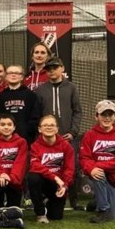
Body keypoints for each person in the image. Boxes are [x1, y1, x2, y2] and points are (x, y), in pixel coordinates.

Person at [33, 57, 84, 209]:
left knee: (72, 168)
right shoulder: (40, 90)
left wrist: (73, 132)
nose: (51, 71)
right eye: (48, 69)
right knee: (46, 167)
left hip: (67, 136)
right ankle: (46, 198)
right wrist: (41, 133)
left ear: (62, 68)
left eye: (55, 68)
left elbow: (77, 111)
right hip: (46, 138)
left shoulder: (71, 87)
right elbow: (37, 113)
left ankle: (74, 200)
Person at [79, 100, 115, 224]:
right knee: (99, 173)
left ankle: (96, 203)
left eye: (110, 114)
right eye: (103, 114)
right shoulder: (89, 135)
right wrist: (92, 168)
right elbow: (84, 158)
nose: (107, 118)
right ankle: (102, 209)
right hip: (98, 175)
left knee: (113, 215)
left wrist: (99, 165)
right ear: (96, 116)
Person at [27, 115, 76, 224]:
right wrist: (55, 177)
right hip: (42, 180)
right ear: (40, 129)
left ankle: (48, 202)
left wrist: (64, 185)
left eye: (52, 125)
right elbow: (36, 166)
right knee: (33, 177)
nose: (49, 127)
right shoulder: (35, 146)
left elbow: (69, 169)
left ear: (57, 129)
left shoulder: (66, 146)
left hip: (58, 184)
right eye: (45, 125)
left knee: (56, 216)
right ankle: (40, 213)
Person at [0, 114, 28, 211]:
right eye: (3, 124)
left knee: (13, 209)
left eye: (9, 124)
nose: (6, 127)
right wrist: (1, 174)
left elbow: (20, 163)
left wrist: (11, 177)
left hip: (14, 179)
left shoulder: (21, 142)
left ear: (14, 127)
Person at [0, 65, 41, 145]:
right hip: (5, 138)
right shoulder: (0, 96)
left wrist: (27, 130)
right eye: (10, 73)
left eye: (17, 73)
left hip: (26, 139)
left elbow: (35, 117)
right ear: (6, 77)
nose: (13, 75)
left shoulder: (31, 95)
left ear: (22, 77)